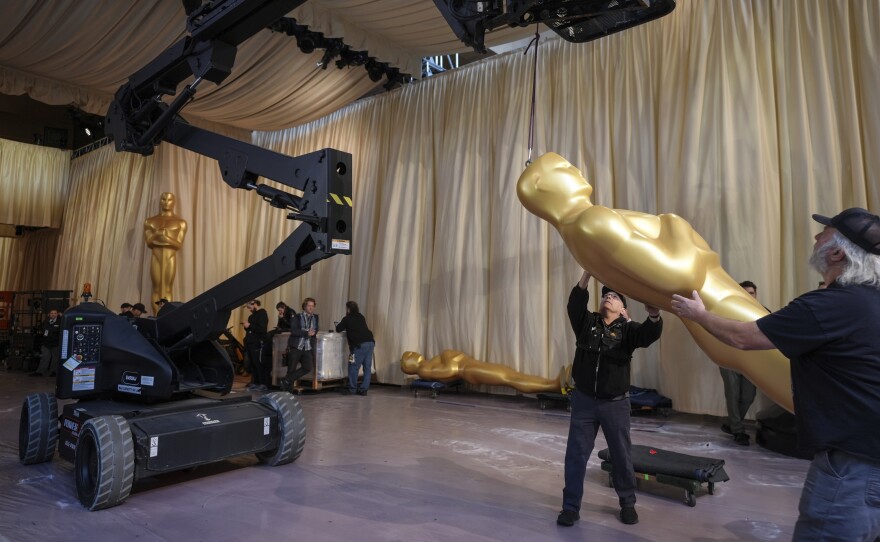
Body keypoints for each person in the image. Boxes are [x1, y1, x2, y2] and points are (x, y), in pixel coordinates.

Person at [516, 152, 792, 412]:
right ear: (542, 186)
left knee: (807, 397)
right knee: (818, 393)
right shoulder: (593, 222)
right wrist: (677, 226)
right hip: (723, 307)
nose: (575, 169)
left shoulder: (576, 239)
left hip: (716, 314)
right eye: (564, 168)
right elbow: (683, 277)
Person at [670, 207, 880, 541]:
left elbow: (742, 337)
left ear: (838, 252)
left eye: (824, 233)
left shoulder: (831, 306)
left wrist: (699, 314)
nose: (816, 237)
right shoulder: (870, 303)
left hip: (852, 466)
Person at [555, 270, 662, 528]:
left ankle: (627, 504)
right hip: (584, 402)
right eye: (605, 296)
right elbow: (574, 304)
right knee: (576, 455)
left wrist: (654, 314)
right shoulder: (586, 322)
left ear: (623, 308)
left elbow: (649, 334)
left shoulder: (628, 330)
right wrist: (586, 275)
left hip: (615, 404)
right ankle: (570, 507)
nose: (608, 298)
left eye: (614, 296)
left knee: (621, 456)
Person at [400, 351, 568, 394]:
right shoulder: (424, 368)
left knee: (513, 375)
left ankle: (551, 383)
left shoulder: (428, 363)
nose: (413, 353)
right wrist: (455, 358)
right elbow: (449, 370)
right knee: (511, 378)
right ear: (409, 366)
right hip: (469, 369)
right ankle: (552, 386)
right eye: (409, 355)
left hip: (472, 366)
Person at [718, 280, 760, 446]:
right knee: (732, 394)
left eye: (751, 293)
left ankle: (731, 424)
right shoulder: (727, 312)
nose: (748, 296)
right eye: (745, 293)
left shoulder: (763, 312)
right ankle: (738, 430)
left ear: (756, 295)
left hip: (753, 360)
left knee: (748, 396)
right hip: (730, 359)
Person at [144, 192, 187, 306]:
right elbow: (149, 242)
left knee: (167, 289)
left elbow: (178, 245)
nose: (166, 202)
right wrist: (157, 233)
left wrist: (166, 238)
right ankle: (155, 317)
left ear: (174, 202)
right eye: (163, 199)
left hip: (170, 257)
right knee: (156, 289)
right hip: (156, 256)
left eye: (169, 200)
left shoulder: (180, 223)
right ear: (160, 201)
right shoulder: (150, 221)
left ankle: (164, 317)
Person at [335, 301, 375, 395]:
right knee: (367, 368)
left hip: (359, 345)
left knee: (353, 366)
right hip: (370, 343)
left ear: (348, 309)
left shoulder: (347, 318)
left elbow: (338, 329)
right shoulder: (361, 316)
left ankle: (352, 389)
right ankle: (363, 390)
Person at [281, 297, 319, 391]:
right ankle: (288, 391)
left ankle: (286, 380)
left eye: (312, 306)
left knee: (308, 367)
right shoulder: (297, 317)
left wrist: (314, 333)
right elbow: (294, 331)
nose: (311, 308)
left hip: (307, 347)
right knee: (291, 369)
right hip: (296, 346)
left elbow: (316, 329)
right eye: (309, 305)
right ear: (304, 306)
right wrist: (307, 333)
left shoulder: (315, 317)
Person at [243, 299, 270, 392]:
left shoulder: (262, 314)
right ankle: (255, 382)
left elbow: (262, 329)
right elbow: (251, 329)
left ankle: (262, 383)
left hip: (257, 342)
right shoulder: (251, 316)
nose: (249, 310)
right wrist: (246, 327)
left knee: (258, 363)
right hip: (250, 342)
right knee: (253, 364)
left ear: (254, 304)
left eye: (250, 307)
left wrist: (249, 325)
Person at [31, 309, 61, 377]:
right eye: (51, 313)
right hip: (46, 343)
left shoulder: (60, 322)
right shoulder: (46, 321)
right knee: (44, 357)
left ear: (57, 314)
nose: (53, 314)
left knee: (55, 359)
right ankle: (40, 372)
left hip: (55, 344)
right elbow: (42, 328)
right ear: (49, 314)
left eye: (55, 313)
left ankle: (53, 372)